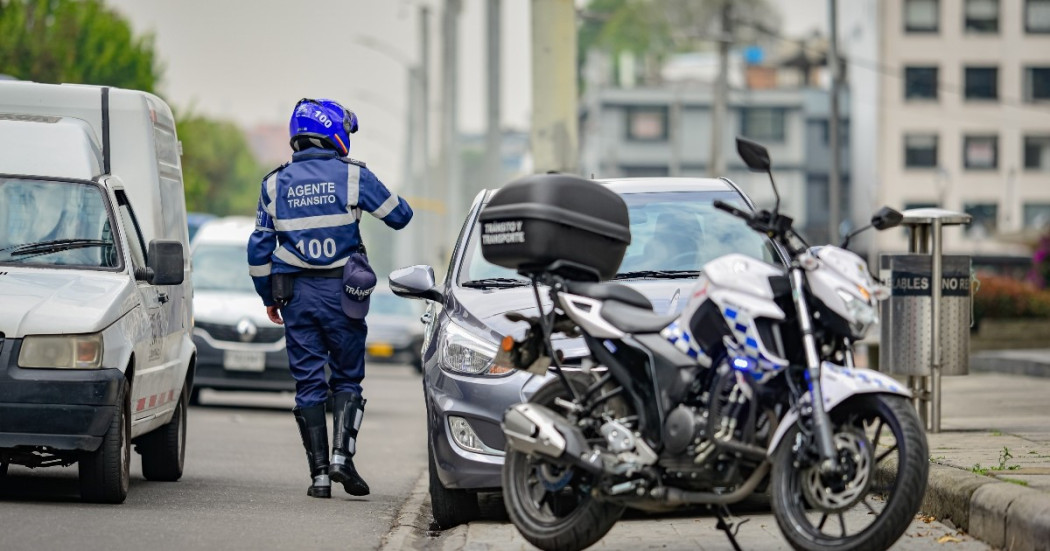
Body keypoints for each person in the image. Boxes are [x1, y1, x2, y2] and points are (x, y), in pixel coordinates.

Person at [247, 98, 413, 499]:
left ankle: (319, 477)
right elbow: (400, 215)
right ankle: (342, 456)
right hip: (344, 295)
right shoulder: (353, 176)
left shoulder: (273, 183)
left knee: (308, 383)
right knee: (347, 377)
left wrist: (268, 295)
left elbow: (257, 250)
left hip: (296, 298)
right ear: (334, 132)